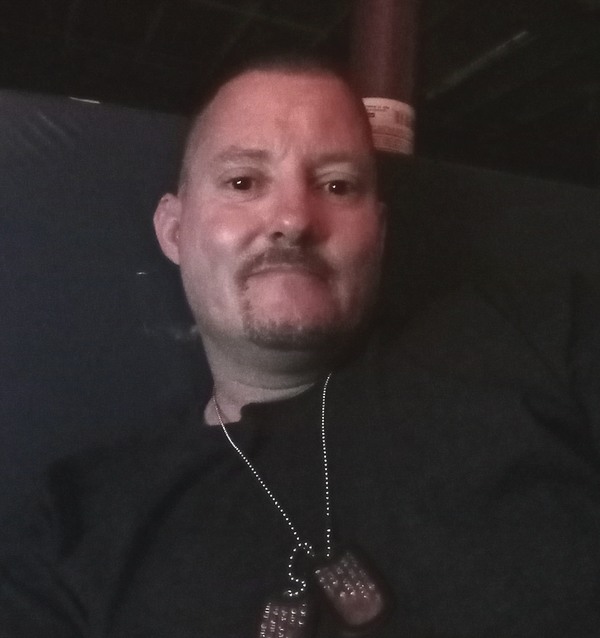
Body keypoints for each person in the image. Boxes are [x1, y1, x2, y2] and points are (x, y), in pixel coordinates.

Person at [2, 54, 600, 638]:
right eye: (243, 181)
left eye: (337, 185)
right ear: (174, 229)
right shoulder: (75, 524)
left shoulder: (532, 338)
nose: (293, 219)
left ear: (379, 234)